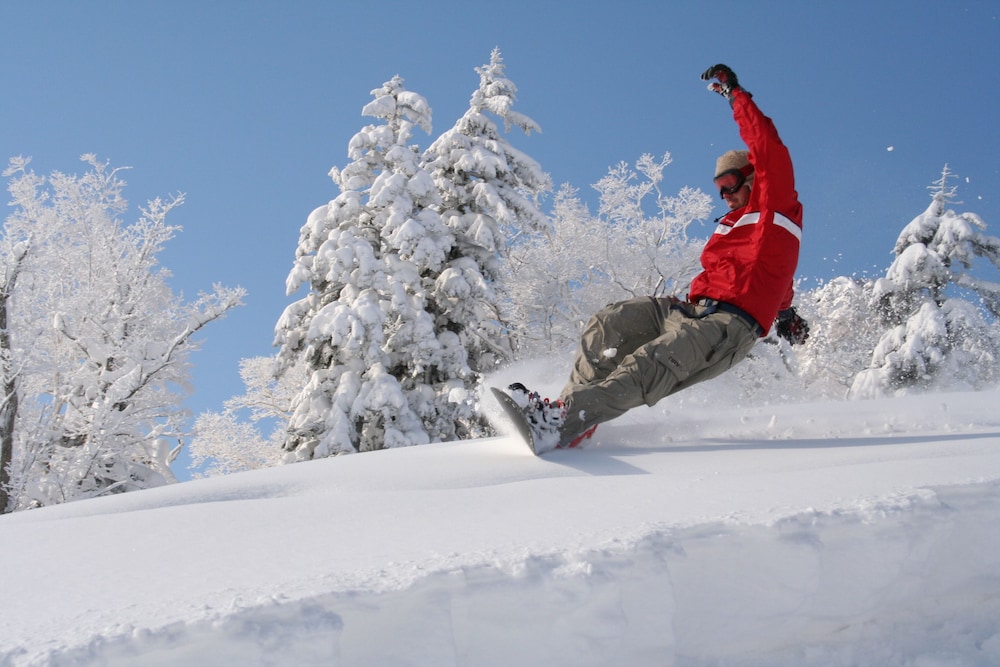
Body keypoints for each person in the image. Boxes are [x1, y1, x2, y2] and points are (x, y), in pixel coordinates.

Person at [506, 64, 810, 452]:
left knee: (651, 361)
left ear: (754, 177)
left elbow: (768, 147)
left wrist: (736, 96)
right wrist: (786, 311)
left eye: (730, 183)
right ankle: (567, 418)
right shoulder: (730, 226)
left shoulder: (776, 207)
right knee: (609, 323)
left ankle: (564, 419)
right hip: (689, 310)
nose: (724, 194)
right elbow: (775, 280)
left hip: (727, 327)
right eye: (718, 187)